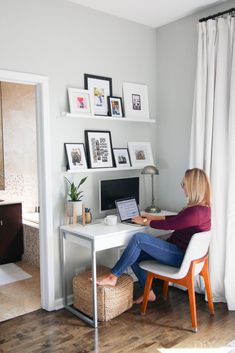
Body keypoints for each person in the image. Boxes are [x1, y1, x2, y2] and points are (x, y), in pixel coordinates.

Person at [96, 168, 211, 304]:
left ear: (193, 186)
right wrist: (151, 216)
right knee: (134, 255)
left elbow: (171, 224)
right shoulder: (203, 209)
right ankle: (148, 292)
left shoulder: (194, 213)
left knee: (138, 239)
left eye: (184, 184)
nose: (182, 188)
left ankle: (113, 276)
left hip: (181, 257)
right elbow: (178, 218)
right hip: (187, 256)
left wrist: (145, 221)